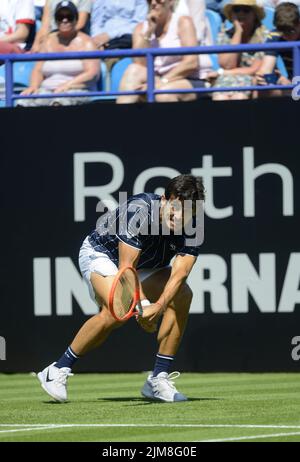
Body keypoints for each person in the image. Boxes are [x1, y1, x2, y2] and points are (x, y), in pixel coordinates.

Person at [37, 174, 205, 403]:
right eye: (176, 208)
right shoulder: (139, 211)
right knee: (117, 311)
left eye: (188, 212)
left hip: (147, 267)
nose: (180, 216)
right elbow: (127, 268)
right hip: (103, 255)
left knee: (183, 294)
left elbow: (180, 273)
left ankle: (158, 378)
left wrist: (160, 305)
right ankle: (56, 369)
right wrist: (144, 305)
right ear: (165, 200)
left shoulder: (194, 227)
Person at [117, 0, 212, 104]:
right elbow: (140, 63)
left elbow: (191, 63)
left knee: (163, 94)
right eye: (149, 0)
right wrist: (149, 32)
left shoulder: (183, 22)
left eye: (159, 0)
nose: (153, 3)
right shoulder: (141, 28)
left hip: (190, 78)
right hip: (159, 79)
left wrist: (160, 84)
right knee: (133, 70)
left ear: (171, 2)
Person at [19, 1, 99, 107]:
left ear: (76, 19)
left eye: (69, 17)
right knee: (23, 102)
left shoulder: (87, 43)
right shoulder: (47, 41)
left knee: (59, 102)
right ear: (55, 20)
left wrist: (68, 85)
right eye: (60, 17)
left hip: (77, 89)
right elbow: (38, 70)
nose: (64, 20)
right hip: (47, 90)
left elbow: (92, 73)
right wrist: (33, 86)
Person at [208, 0, 269, 100]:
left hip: (251, 78)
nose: (241, 14)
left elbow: (254, 69)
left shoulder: (264, 36)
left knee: (239, 97)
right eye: (236, 10)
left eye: (246, 10)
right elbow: (227, 65)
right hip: (227, 78)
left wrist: (221, 73)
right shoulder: (224, 35)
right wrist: (238, 32)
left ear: (254, 15)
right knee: (220, 98)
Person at [255, 2, 300, 91]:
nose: (286, 35)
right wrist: (262, 77)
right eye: (282, 30)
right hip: (294, 85)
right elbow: (266, 69)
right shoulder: (275, 35)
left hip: (296, 85)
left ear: (299, 24)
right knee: (260, 87)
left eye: (290, 31)